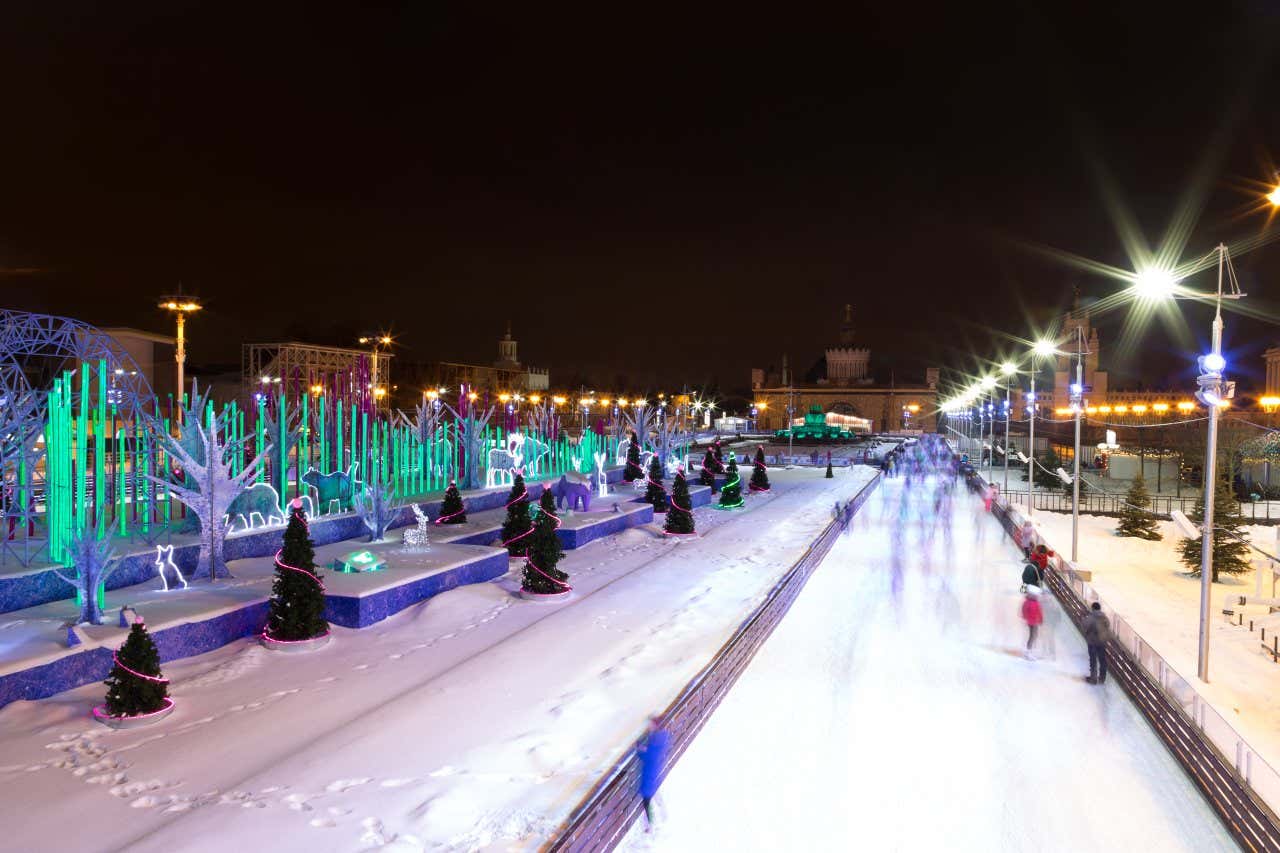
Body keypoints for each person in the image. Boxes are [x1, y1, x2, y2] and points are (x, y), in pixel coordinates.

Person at [636, 716, 670, 830]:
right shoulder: (658, 737)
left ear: (656, 726)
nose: (649, 728)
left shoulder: (657, 739)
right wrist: (642, 748)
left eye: (651, 725)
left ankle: (649, 825)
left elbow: (649, 755)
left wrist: (640, 750)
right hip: (651, 772)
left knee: (646, 801)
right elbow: (650, 753)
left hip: (649, 774)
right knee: (652, 794)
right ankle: (662, 813)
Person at [1083, 601, 1110, 684]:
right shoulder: (1105, 617)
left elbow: (1085, 625)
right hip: (1102, 641)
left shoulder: (1091, 617)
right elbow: (1108, 625)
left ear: (1093, 608)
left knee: (1093, 660)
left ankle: (1093, 678)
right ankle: (1102, 678)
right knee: (1102, 660)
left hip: (1093, 642)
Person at [1021, 588, 1044, 660]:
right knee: (1032, 636)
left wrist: (1040, 620)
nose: (1036, 596)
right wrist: (1026, 617)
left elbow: (1039, 611)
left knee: (1034, 636)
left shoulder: (1034, 602)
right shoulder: (1029, 602)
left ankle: (1030, 650)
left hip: (1034, 621)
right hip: (1032, 622)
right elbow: (1024, 610)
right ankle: (1029, 652)